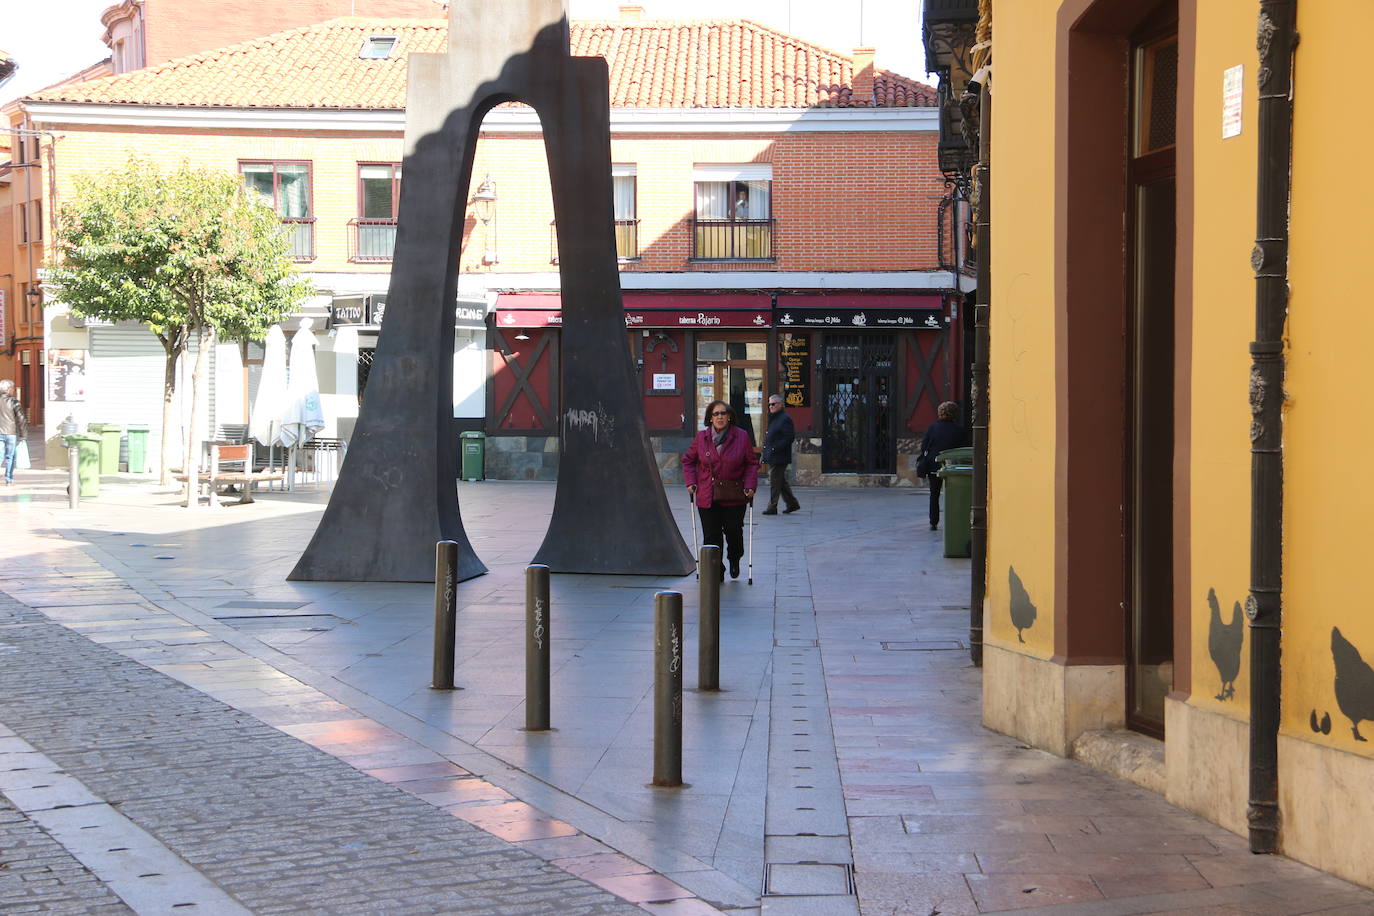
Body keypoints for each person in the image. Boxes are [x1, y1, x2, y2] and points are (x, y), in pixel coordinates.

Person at [682, 400, 758, 580]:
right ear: (710, 418)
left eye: (723, 413)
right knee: (711, 535)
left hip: (734, 494)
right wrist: (691, 482)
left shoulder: (741, 436)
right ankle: (717, 568)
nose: (720, 417)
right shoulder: (702, 437)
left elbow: (751, 463)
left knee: (733, 531)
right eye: (715, 414)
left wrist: (750, 485)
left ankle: (734, 559)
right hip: (707, 494)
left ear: (730, 416)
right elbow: (688, 461)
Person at [918, 401, 966, 530]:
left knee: (934, 494)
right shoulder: (959, 430)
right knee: (954, 494)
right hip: (953, 466)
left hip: (934, 465)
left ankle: (933, 522)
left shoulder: (932, 428)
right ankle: (954, 520)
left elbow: (924, 447)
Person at [760, 394, 801, 516]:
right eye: (769, 404)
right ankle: (792, 504)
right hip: (773, 455)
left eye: (773, 404)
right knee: (780, 482)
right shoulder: (774, 418)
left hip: (780, 456)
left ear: (780, 404)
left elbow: (789, 437)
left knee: (774, 481)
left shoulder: (785, 418)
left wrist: (774, 448)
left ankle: (772, 507)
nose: (771, 406)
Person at [0, 379, 28, 486]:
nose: (13, 391)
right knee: (10, 456)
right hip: (10, 432)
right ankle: (9, 479)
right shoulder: (13, 402)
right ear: (8, 389)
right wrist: (23, 434)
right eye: (12, 388)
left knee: (0, 455)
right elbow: (21, 419)